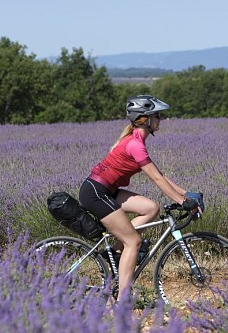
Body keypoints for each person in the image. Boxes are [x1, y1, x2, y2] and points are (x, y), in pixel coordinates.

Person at [78, 95, 203, 299]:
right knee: (134, 242)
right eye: (157, 116)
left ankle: (115, 254)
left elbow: (160, 175)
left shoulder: (137, 141)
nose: (160, 119)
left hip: (107, 190)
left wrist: (185, 193)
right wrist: (183, 202)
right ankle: (123, 300)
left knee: (151, 208)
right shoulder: (135, 144)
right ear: (145, 119)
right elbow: (156, 179)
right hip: (96, 193)